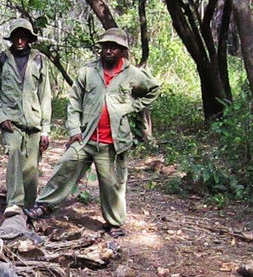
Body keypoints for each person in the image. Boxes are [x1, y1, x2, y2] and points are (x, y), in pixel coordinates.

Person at [26, 28, 160, 237]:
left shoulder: (132, 74)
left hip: (112, 142)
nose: (108, 50)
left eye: (113, 47)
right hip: (86, 137)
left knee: (112, 184)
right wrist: (74, 129)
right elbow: (74, 102)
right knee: (65, 166)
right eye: (105, 46)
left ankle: (114, 223)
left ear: (122, 51)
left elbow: (153, 89)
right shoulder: (88, 71)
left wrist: (131, 106)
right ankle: (44, 205)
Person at [0, 19, 52, 218]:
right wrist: (0, 117)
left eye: (24, 36)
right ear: (12, 38)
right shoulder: (1, 60)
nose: (20, 40)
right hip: (11, 121)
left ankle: (29, 206)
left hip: (34, 121)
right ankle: (14, 203)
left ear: (29, 38)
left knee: (31, 166)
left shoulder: (39, 60)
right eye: (16, 35)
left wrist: (46, 129)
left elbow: (45, 95)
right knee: (14, 152)